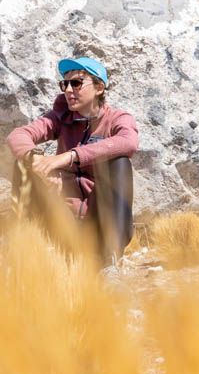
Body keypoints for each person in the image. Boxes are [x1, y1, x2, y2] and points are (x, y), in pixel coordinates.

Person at [7, 57, 139, 262]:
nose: (68, 90)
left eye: (76, 83)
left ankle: (110, 260)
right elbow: (18, 135)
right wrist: (37, 163)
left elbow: (128, 142)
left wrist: (68, 157)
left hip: (101, 224)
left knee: (120, 162)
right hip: (63, 222)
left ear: (99, 88)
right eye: (64, 84)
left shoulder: (117, 119)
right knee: (23, 164)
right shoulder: (60, 118)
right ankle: (27, 252)